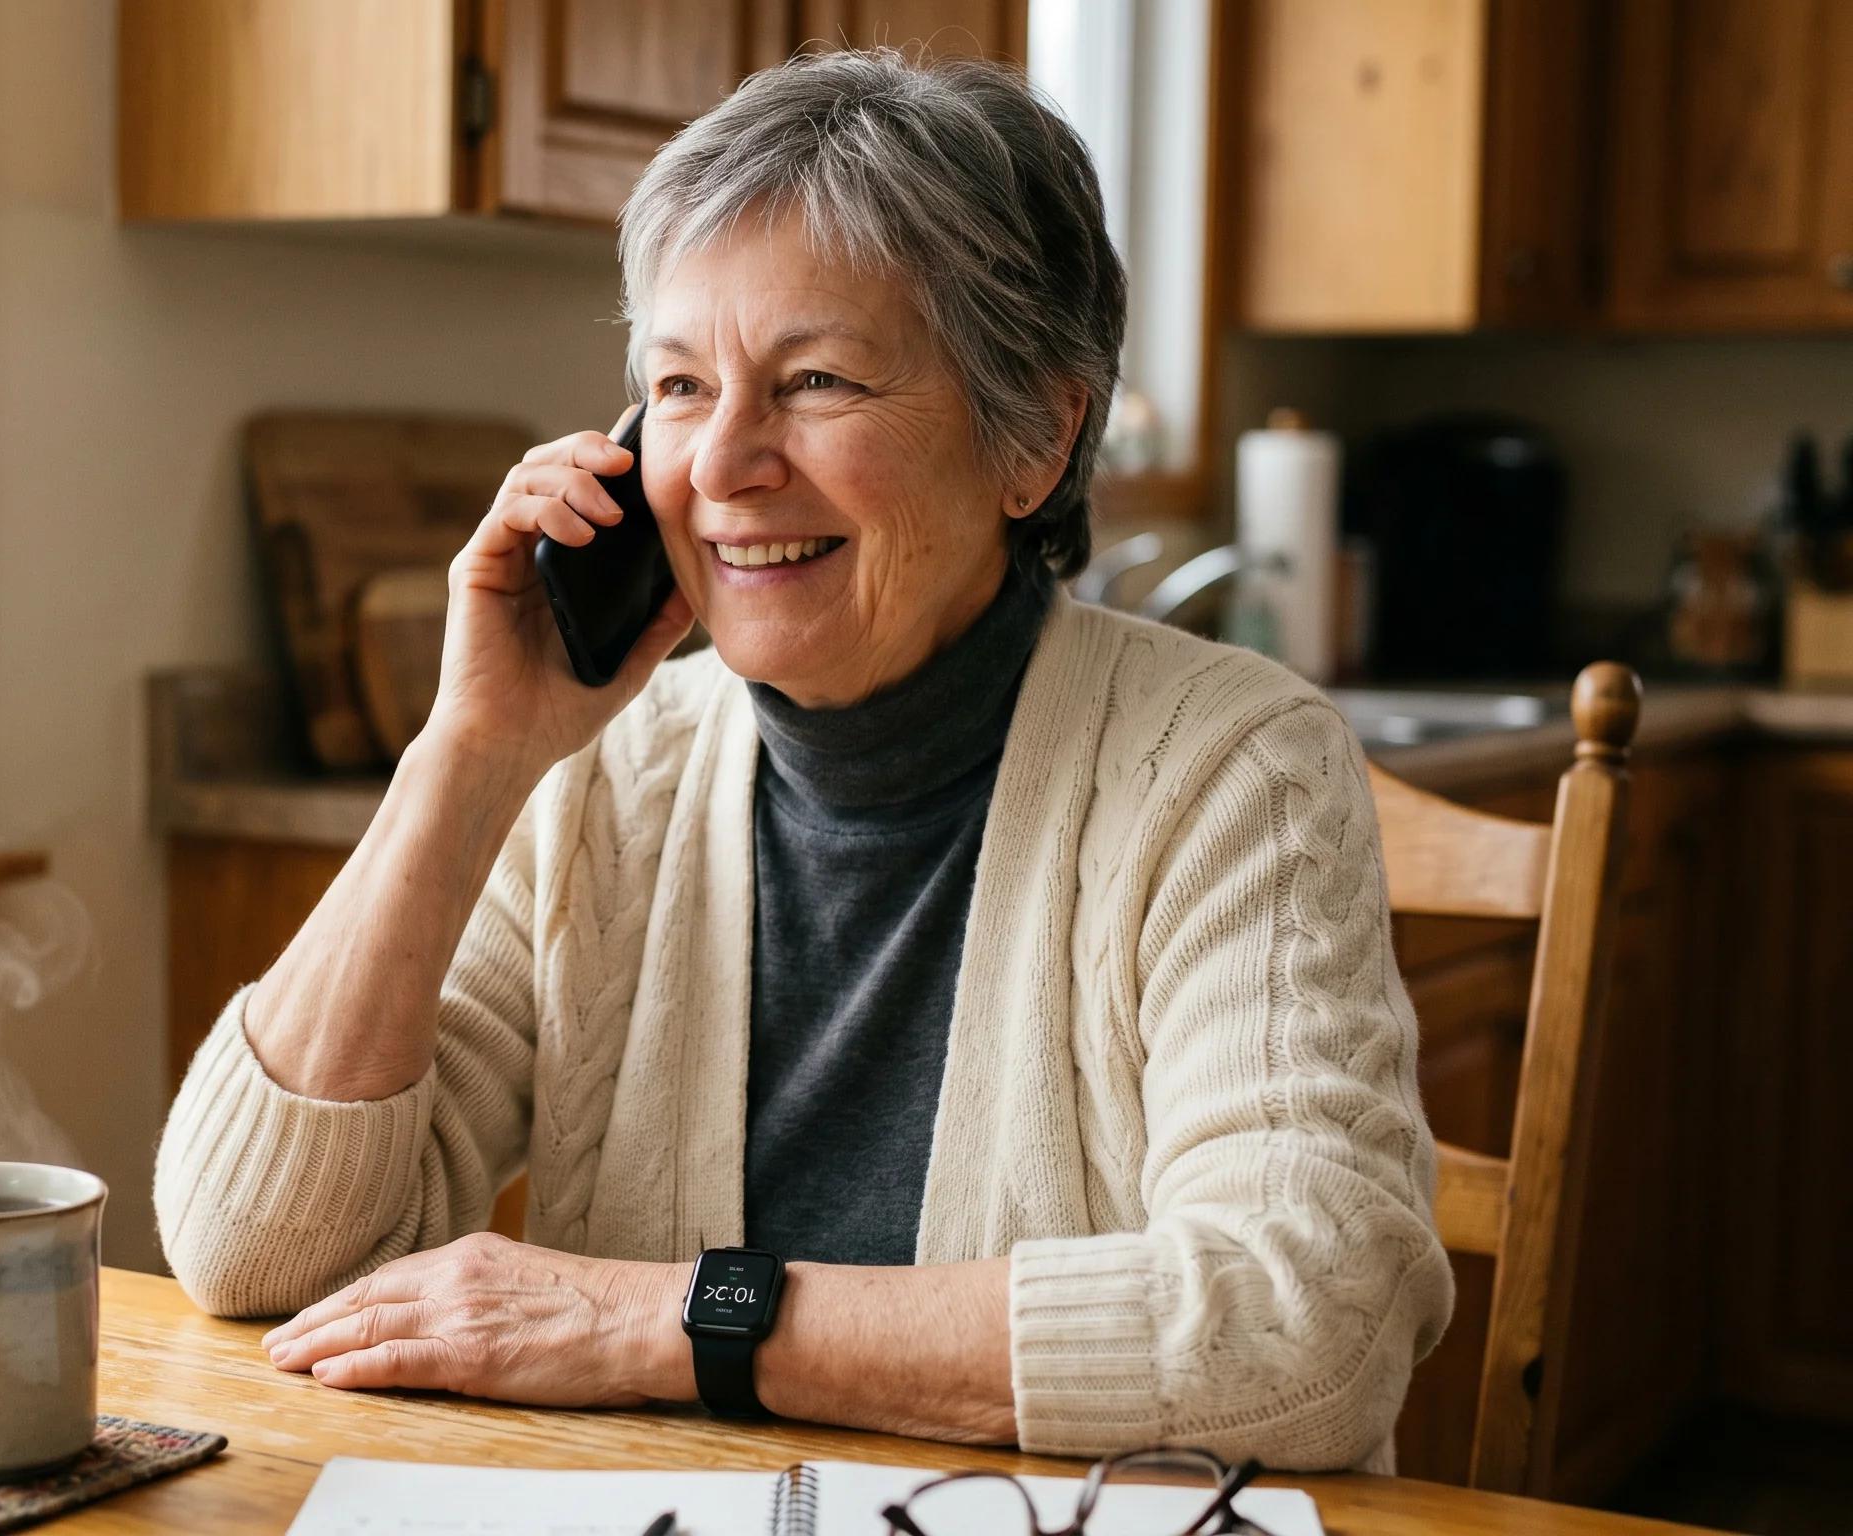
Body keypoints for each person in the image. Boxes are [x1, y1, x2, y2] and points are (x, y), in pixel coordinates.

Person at [154, 51, 1450, 1472]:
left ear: (1037, 436)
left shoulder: (1231, 770)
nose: (722, 466)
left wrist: (667, 1323)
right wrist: (471, 753)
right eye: (682, 385)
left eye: (815, 380)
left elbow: (1308, 1320)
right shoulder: (601, 775)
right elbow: (250, 1248)